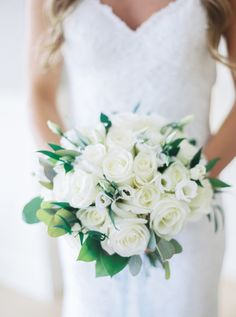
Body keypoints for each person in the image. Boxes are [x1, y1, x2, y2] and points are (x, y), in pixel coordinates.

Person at [28, 0, 236, 316]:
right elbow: (40, 94)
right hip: (91, 218)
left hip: (188, 213)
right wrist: (78, 185)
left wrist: (183, 189)